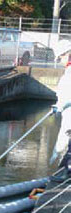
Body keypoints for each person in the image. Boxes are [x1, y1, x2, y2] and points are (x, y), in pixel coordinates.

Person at [50, 52, 71, 182]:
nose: (59, 60)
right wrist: (57, 106)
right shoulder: (68, 72)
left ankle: (67, 172)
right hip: (67, 111)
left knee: (68, 141)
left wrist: (63, 105)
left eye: (60, 57)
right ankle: (65, 170)